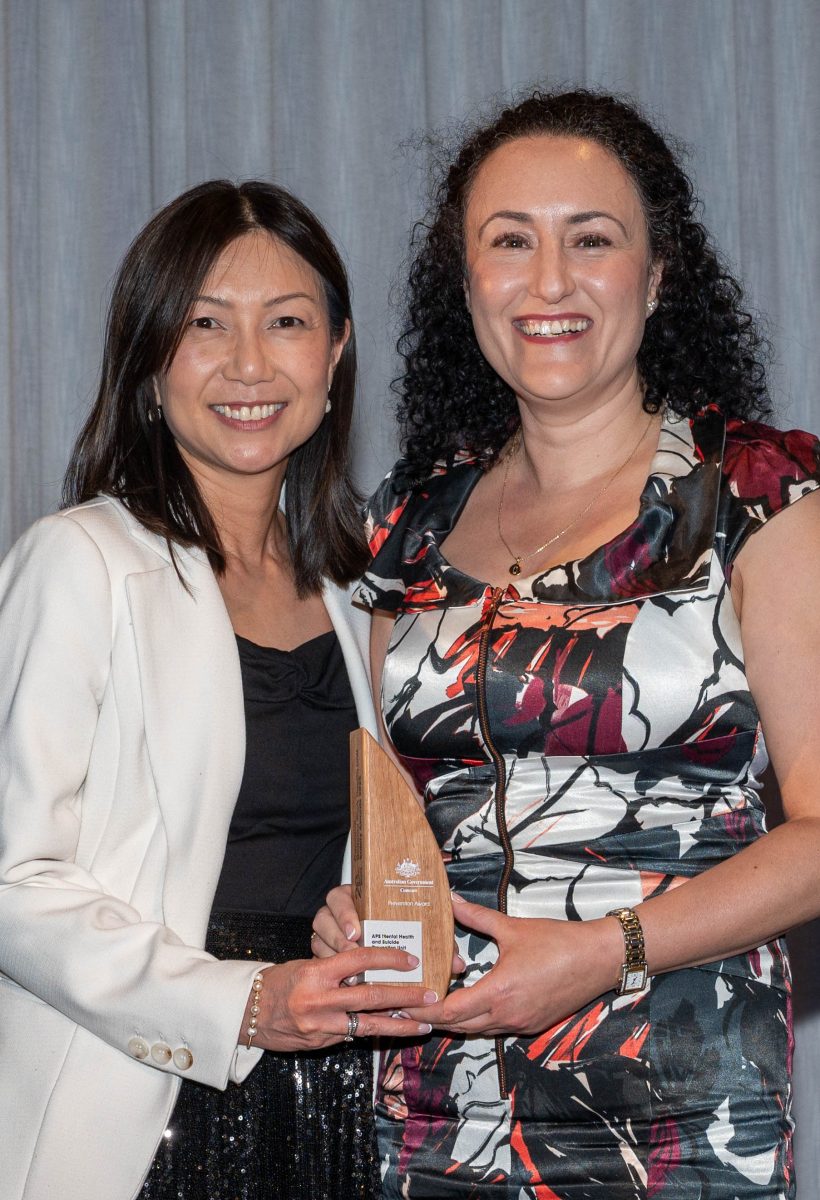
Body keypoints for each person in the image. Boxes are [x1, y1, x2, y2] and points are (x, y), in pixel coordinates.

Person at [312, 90, 820, 1198]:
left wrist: (605, 952)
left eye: (590, 238)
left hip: (672, 1115)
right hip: (430, 1110)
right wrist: (354, 895)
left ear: (657, 273)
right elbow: (388, 800)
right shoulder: (409, 523)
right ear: (466, 282)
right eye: (509, 243)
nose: (548, 282)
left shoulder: (756, 502)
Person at [0, 180, 436, 1200]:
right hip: (142, 1098)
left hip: (338, 1100)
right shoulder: (80, 562)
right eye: (205, 325)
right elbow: (12, 877)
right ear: (151, 366)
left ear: (333, 356)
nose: (249, 364)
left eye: (286, 323)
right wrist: (239, 1003)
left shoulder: (359, 588)